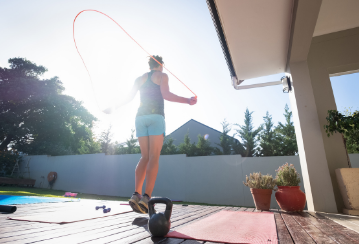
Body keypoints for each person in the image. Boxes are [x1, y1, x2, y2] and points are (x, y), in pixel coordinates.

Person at [103, 55, 197, 213]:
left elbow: (129, 98)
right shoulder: (162, 76)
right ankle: (146, 198)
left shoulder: (140, 79)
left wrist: (113, 107)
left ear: (149, 65)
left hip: (140, 118)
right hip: (156, 118)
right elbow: (166, 95)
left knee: (144, 157)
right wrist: (187, 101)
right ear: (161, 65)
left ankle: (135, 195)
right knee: (154, 157)